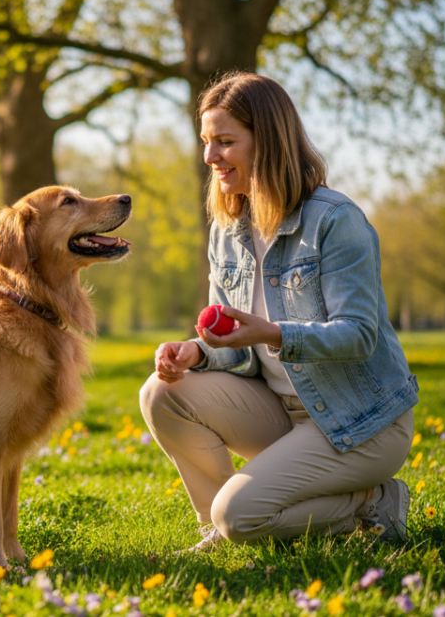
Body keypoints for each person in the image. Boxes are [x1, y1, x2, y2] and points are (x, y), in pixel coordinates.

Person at [139, 72, 417, 552]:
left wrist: (272, 332)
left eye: (225, 142)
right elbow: (236, 349)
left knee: (242, 516)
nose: (209, 157)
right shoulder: (227, 231)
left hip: (360, 422)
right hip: (284, 413)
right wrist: (197, 354)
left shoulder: (335, 221)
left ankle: (373, 503)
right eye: (206, 142)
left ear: (266, 142)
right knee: (162, 393)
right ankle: (221, 530)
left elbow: (358, 335)